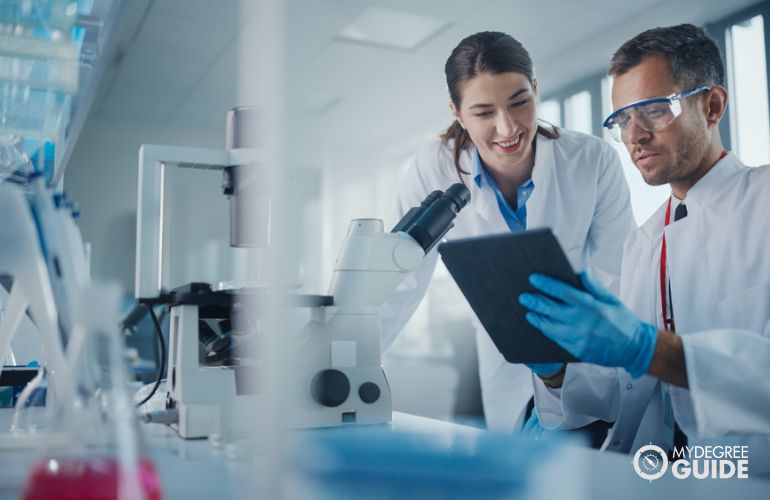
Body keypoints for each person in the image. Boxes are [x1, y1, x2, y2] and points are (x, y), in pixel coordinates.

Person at [519, 24, 770, 473]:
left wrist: (648, 349)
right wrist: (556, 370)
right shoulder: (643, 240)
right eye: (621, 120)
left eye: (654, 111)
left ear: (712, 106)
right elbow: (626, 391)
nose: (634, 136)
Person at [380, 31, 635, 433]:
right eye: (483, 112)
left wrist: (587, 372)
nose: (507, 127)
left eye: (520, 102)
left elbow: (618, 280)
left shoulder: (593, 160)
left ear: (535, 89)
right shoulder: (434, 167)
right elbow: (397, 280)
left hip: (590, 365)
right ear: (457, 113)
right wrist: (345, 362)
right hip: (507, 371)